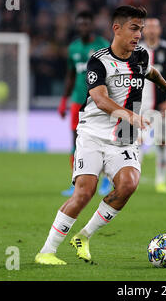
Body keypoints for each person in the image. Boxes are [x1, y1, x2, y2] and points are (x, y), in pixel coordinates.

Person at [35, 5, 166, 265]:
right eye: (134, 28)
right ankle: (47, 251)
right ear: (117, 28)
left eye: (141, 29)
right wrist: (130, 115)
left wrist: (165, 85)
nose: (139, 34)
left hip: (124, 136)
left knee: (129, 184)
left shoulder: (141, 57)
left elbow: (151, 72)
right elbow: (100, 99)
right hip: (93, 133)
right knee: (84, 193)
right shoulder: (98, 60)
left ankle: (84, 235)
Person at [57, 10, 112, 197]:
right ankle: (75, 182)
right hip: (77, 101)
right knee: (75, 141)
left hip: (98, 102)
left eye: (86, 24)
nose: (83, 27)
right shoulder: (73, 48)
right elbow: (70, 75)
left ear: (92, 25)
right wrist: (64, 100)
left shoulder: (103, 46)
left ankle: (106, 180)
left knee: (103, 140)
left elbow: (111, 75)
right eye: (80, 24)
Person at [139, 17, 166, 193]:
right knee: (136, 142)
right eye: (148, 27)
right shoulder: (137, 49)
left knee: (163, 143)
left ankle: (161, 180)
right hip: (141, 104)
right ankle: (132, 178)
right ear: (143, 30)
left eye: (154, 27)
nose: (151, 30)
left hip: (163, 105)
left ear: (159, 30)